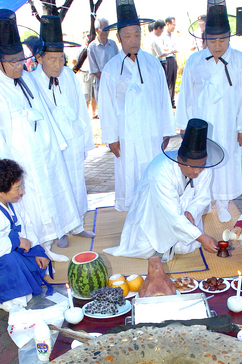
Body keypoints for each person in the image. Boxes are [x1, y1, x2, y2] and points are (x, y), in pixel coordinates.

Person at [0, 9, 83, 262]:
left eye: (21, 60)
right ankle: (35, 247)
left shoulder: (25, 78)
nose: (20, 66)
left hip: (43, 151)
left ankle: (47, 241)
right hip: (19, 160)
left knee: (50, 196)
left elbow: (45, 114)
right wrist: (5, 177)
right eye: (14, 62)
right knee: (28, 205)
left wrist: (57, 145)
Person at [104, 119, 224, 261]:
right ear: (179, 159)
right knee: (146, 248)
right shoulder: (161, 169)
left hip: (182, 211)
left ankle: (185, 231)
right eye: (192, 167)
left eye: (202, 165)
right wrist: (201, 237)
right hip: (155, 207)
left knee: (184, 247)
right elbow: (172, 212)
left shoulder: (204, 168)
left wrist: (191, 212)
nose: (198, 171)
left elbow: (202, 198)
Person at [176, 3, 242, 223]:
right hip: (202, 123)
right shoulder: (194, 61)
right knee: (202, 160)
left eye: (222, 40)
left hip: (228, 122)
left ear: (229, 37)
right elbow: (186, 95)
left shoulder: (241, 61)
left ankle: (223, 202)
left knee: (226, 160)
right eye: (212, 40)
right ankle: (204, 200)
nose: (217, 45)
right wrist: (184, 124)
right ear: (205, 39)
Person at [99, 0, 175, 212]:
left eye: (137, 35)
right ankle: (133, 215)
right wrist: (111, 138)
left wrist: (166, 130)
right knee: (129, 173)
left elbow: (163, 99)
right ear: (119, 38)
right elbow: (106, 106)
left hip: (151, 131)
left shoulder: (152, 64)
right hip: (126, 134)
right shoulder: (111, 69)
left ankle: (154, 213)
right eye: (128, 36)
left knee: (152, 172)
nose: (133, 40)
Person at [33, 15, 95, 249]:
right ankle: (61, 228)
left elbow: (80, 109)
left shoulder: (68, 76)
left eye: (61, 59)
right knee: (57, 183)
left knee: (76, 181)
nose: (57, 65)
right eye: (51, 60)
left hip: (72, 139)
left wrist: (85, 141)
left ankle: (77, 223)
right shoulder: (32, 81)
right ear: (39, 58)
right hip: (51, 144)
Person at [0, 158, 53, 311]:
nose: (21, 192)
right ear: (1, 191)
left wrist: (37, 249)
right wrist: (14, 242)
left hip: (8, 255)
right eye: (17, 189)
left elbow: (26, 224)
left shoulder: (11, 201)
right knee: (11, 259)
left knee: (39, 262)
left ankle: (17, 290)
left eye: (20, 186)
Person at [88, 18, 119, 100]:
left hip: (115, 85)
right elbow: (94, 70)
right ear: (96, 30)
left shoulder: (113, 44)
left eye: (108, 29)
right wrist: (108, 80)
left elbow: (119, 63)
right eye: (104, 29)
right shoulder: (92, 47)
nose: (107, 32)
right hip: (101, 85)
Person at [72, 32, 98, 118]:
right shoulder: (80, 48)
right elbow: (74, 61)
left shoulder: (94, 47)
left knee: (94, 93)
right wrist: (79, 70)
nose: (88, 38)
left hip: (94, 72)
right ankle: (85, 113)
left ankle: (94, 113)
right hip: (84, 72)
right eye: (86, 36)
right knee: (86, 94)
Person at [162, 17, 178, 108]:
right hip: (166, 59)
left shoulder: (173, 36)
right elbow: (162, 49)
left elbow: (175, 50)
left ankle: (172, 100)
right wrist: (170, 50)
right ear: (167, 24)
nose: (174, 27)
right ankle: (167, 101)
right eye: (173, 24)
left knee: (173, 79)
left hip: (173, 59)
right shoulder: (162, 36)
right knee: (167, 81)